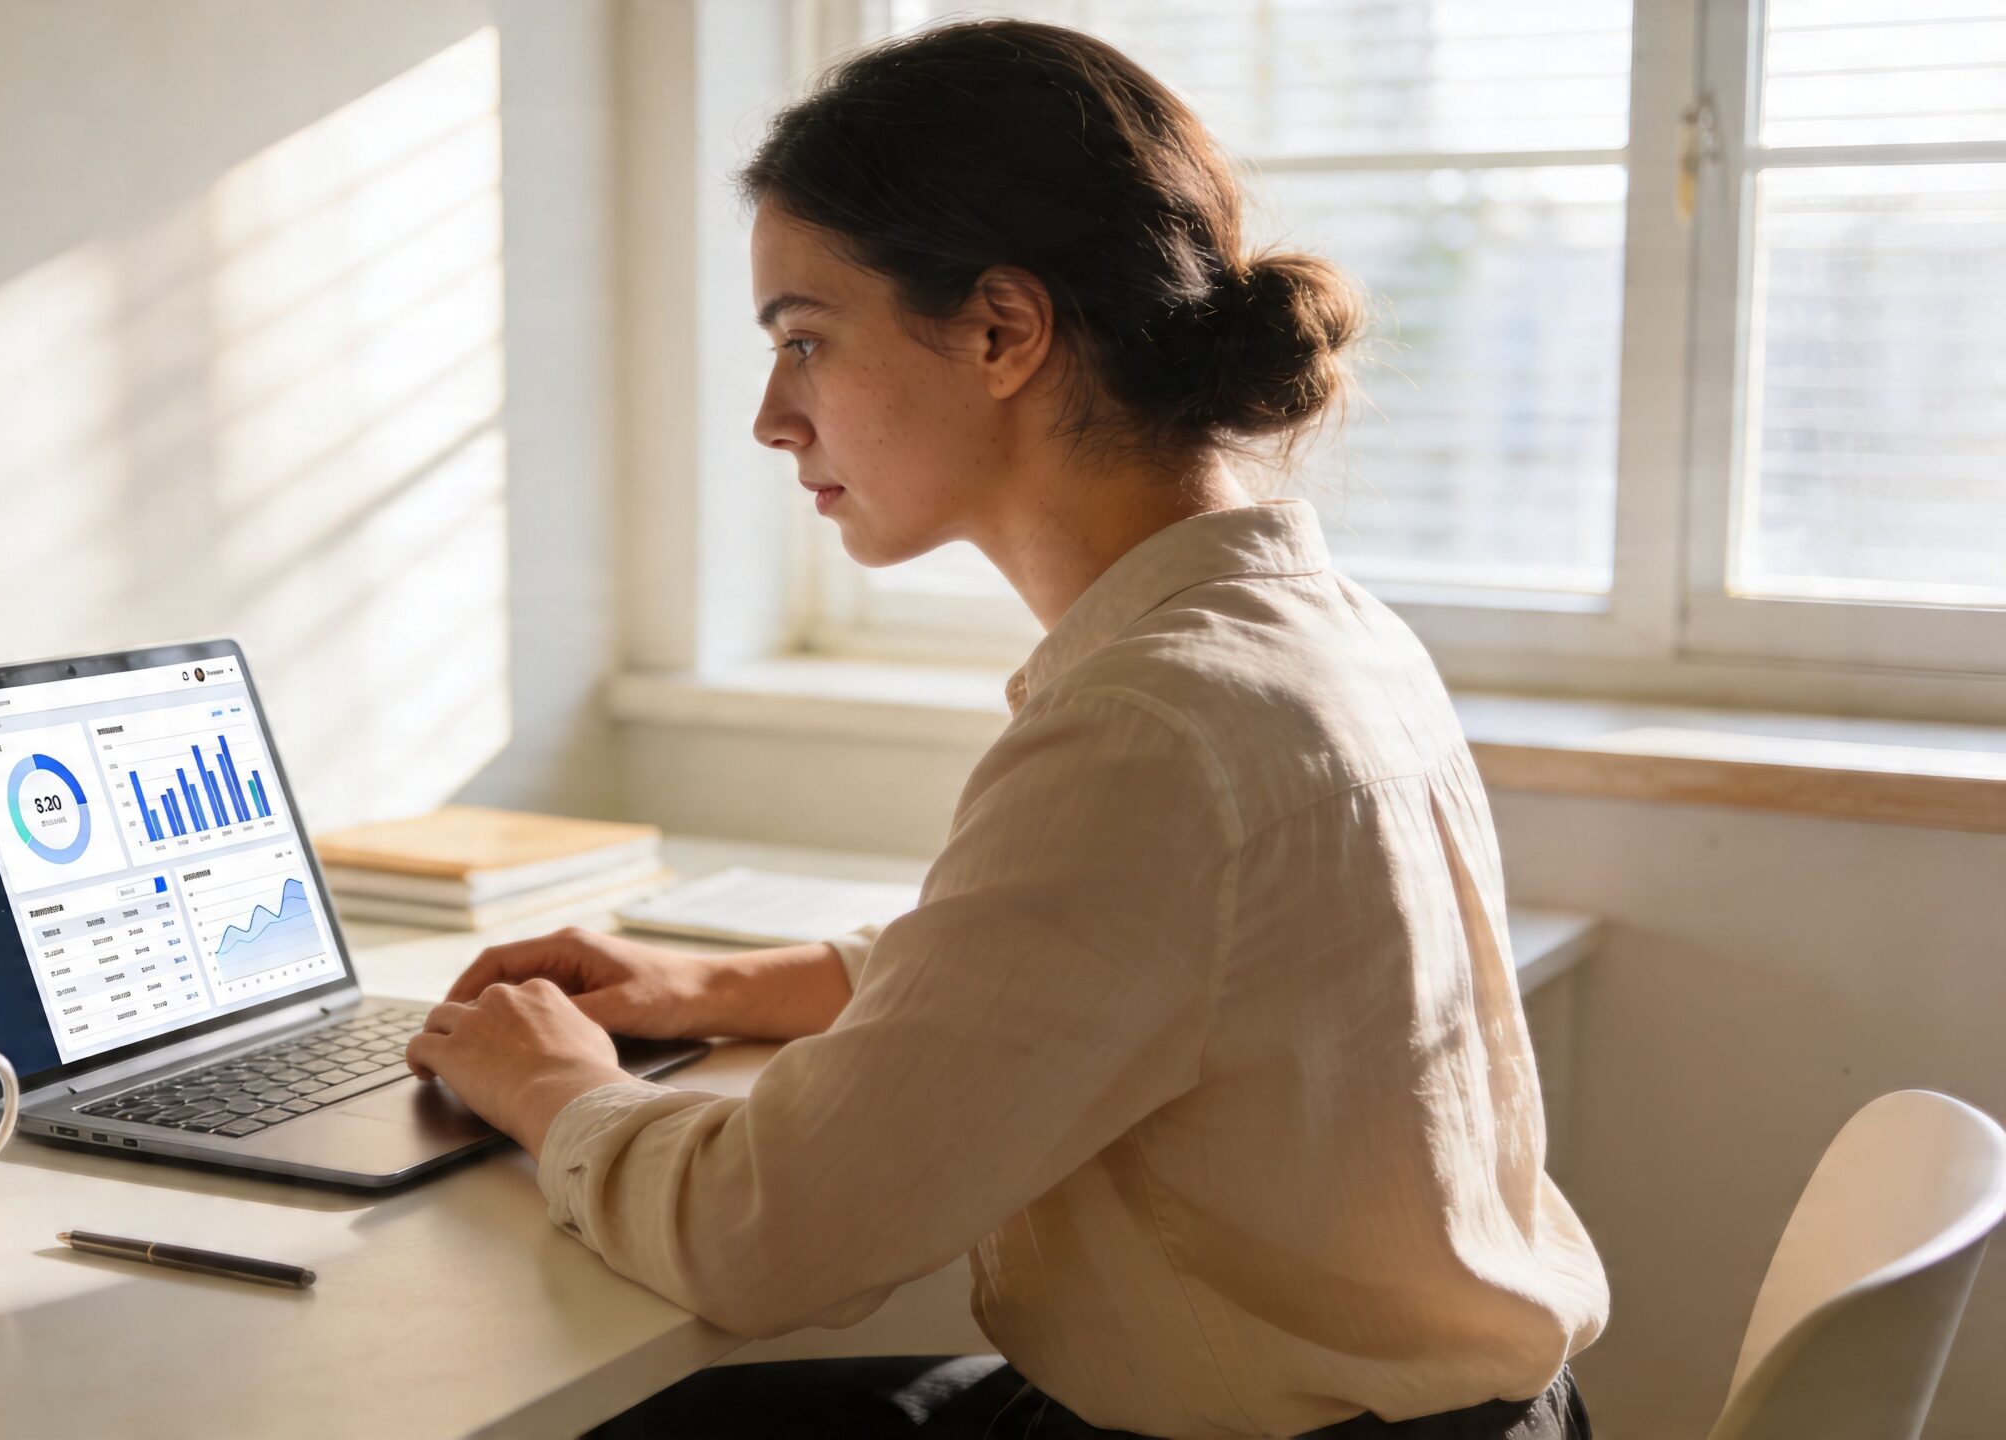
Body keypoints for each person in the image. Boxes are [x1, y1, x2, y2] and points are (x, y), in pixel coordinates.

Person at [404, 18, 1608, 1439]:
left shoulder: (1154, 730)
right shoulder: (1311, 627)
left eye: (804, 340)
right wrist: (718, 989)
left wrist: (556, 1089)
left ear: (1001, 331)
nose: (772, 417)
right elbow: (1086, 969)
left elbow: (762, 1236)